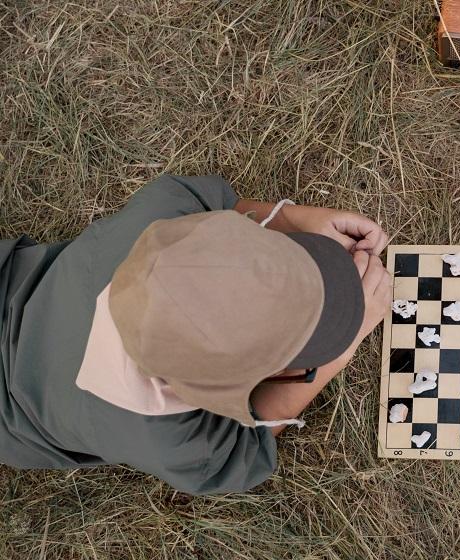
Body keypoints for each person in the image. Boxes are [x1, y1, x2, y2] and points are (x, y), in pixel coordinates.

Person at [0, 175, 391, 494]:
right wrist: (339, 354)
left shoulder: (163, 213)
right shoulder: (176, 442)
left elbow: (202, 196)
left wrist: (298, 220)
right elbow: (243, 451)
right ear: (227, 386)